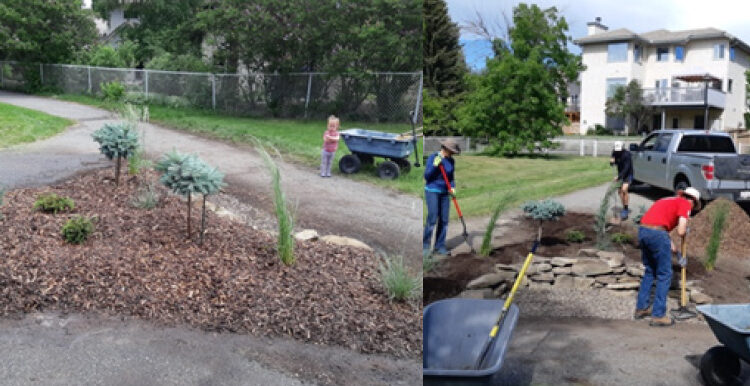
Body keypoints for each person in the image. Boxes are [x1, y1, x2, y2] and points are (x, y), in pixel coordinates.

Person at [634, 187, 701, 327]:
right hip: (657, 234)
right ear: (693, 201)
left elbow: (659, 228)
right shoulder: (685, 204)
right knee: (665, 274)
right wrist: (685, 230)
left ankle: (642, 308)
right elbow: (681, 230)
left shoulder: (668, 200)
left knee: (650, 271)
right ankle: (658, 315)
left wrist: (677, 253)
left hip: (643, 231)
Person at [423, 138, 461, 258]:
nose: (453, 153)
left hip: (445, 192)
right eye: (452, 151)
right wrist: (435, 165)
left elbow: (451, 177)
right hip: (432, 191)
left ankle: (439, 246)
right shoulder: (433, 157)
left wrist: (453, 187)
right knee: (432, 218)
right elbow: (427, 177)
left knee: (444, 220)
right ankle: (425, 247)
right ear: (446, 149)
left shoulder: (451, 161)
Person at [610, 141, 633, 219]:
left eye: (619, 150)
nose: (617, 151)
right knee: (620, 193)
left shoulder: (627, 155)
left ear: (623, 148)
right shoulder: (614, 152)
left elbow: (627, 168)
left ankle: (625, 209)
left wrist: (619, 176)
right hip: (620, 173)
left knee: (624, 190)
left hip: (628, 174)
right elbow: (613, 162)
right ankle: (624, 207)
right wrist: (612, 162)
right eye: (616, 150)